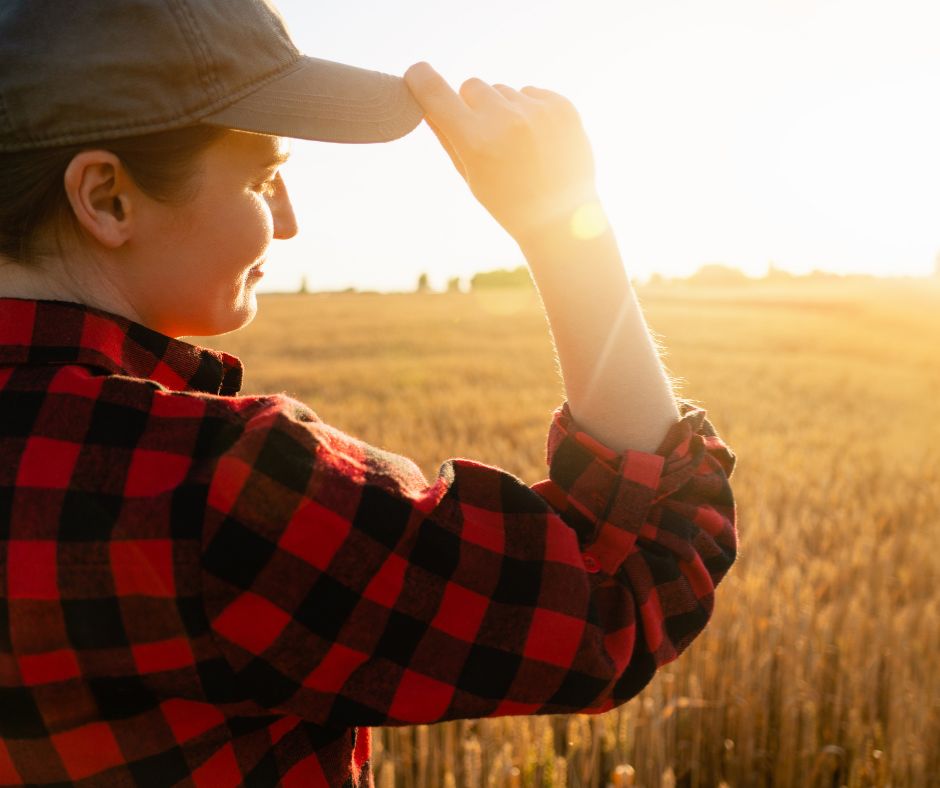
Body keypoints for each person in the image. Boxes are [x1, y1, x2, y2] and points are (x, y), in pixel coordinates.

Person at [0, 0, 737, 785]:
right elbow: (623, 588)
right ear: (107, 197)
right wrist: (564, 227)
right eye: (265, 178)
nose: (287, 223)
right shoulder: (216, 489)